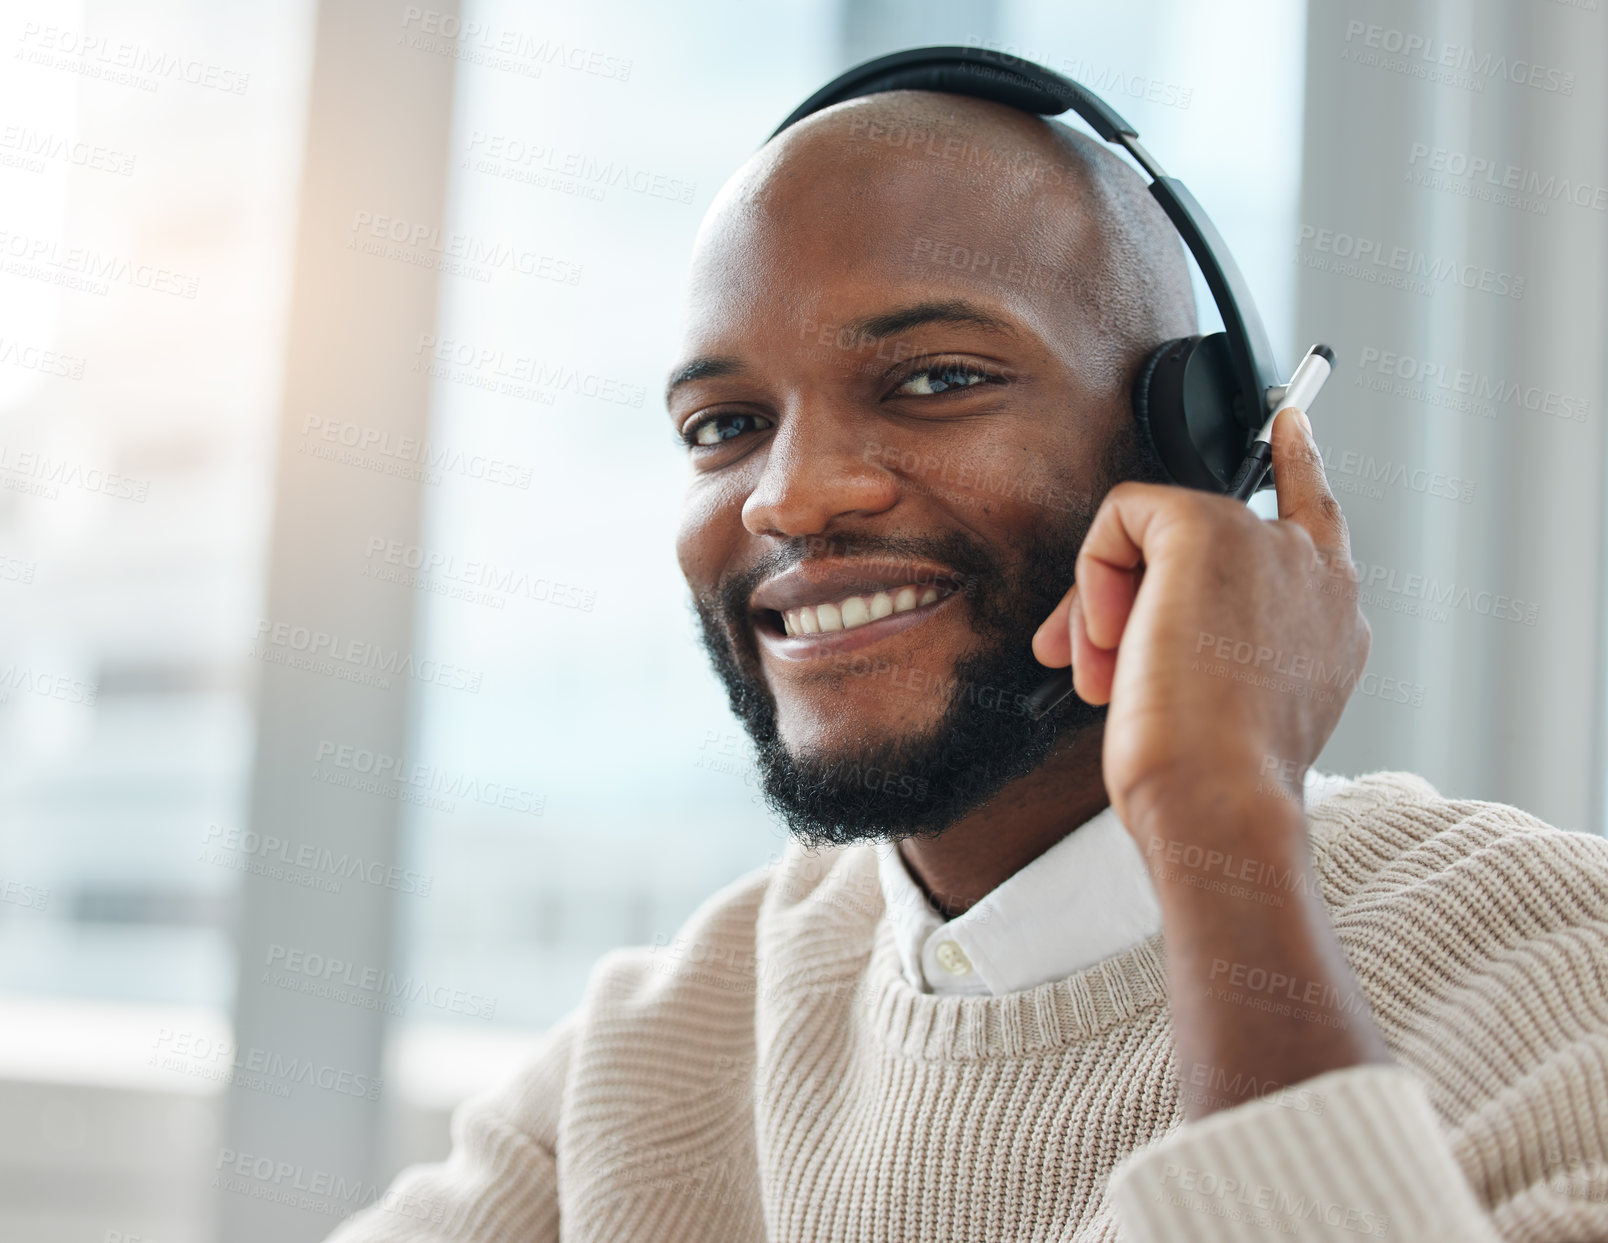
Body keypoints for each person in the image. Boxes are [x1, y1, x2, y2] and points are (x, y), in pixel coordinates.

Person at [329, 87, 1608, 1242]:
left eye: (936, 378)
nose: (793, 495)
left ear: (1202, 446)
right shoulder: (666, 1041)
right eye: (725, 426)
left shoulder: (1560, 979)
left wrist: (1224, 818)